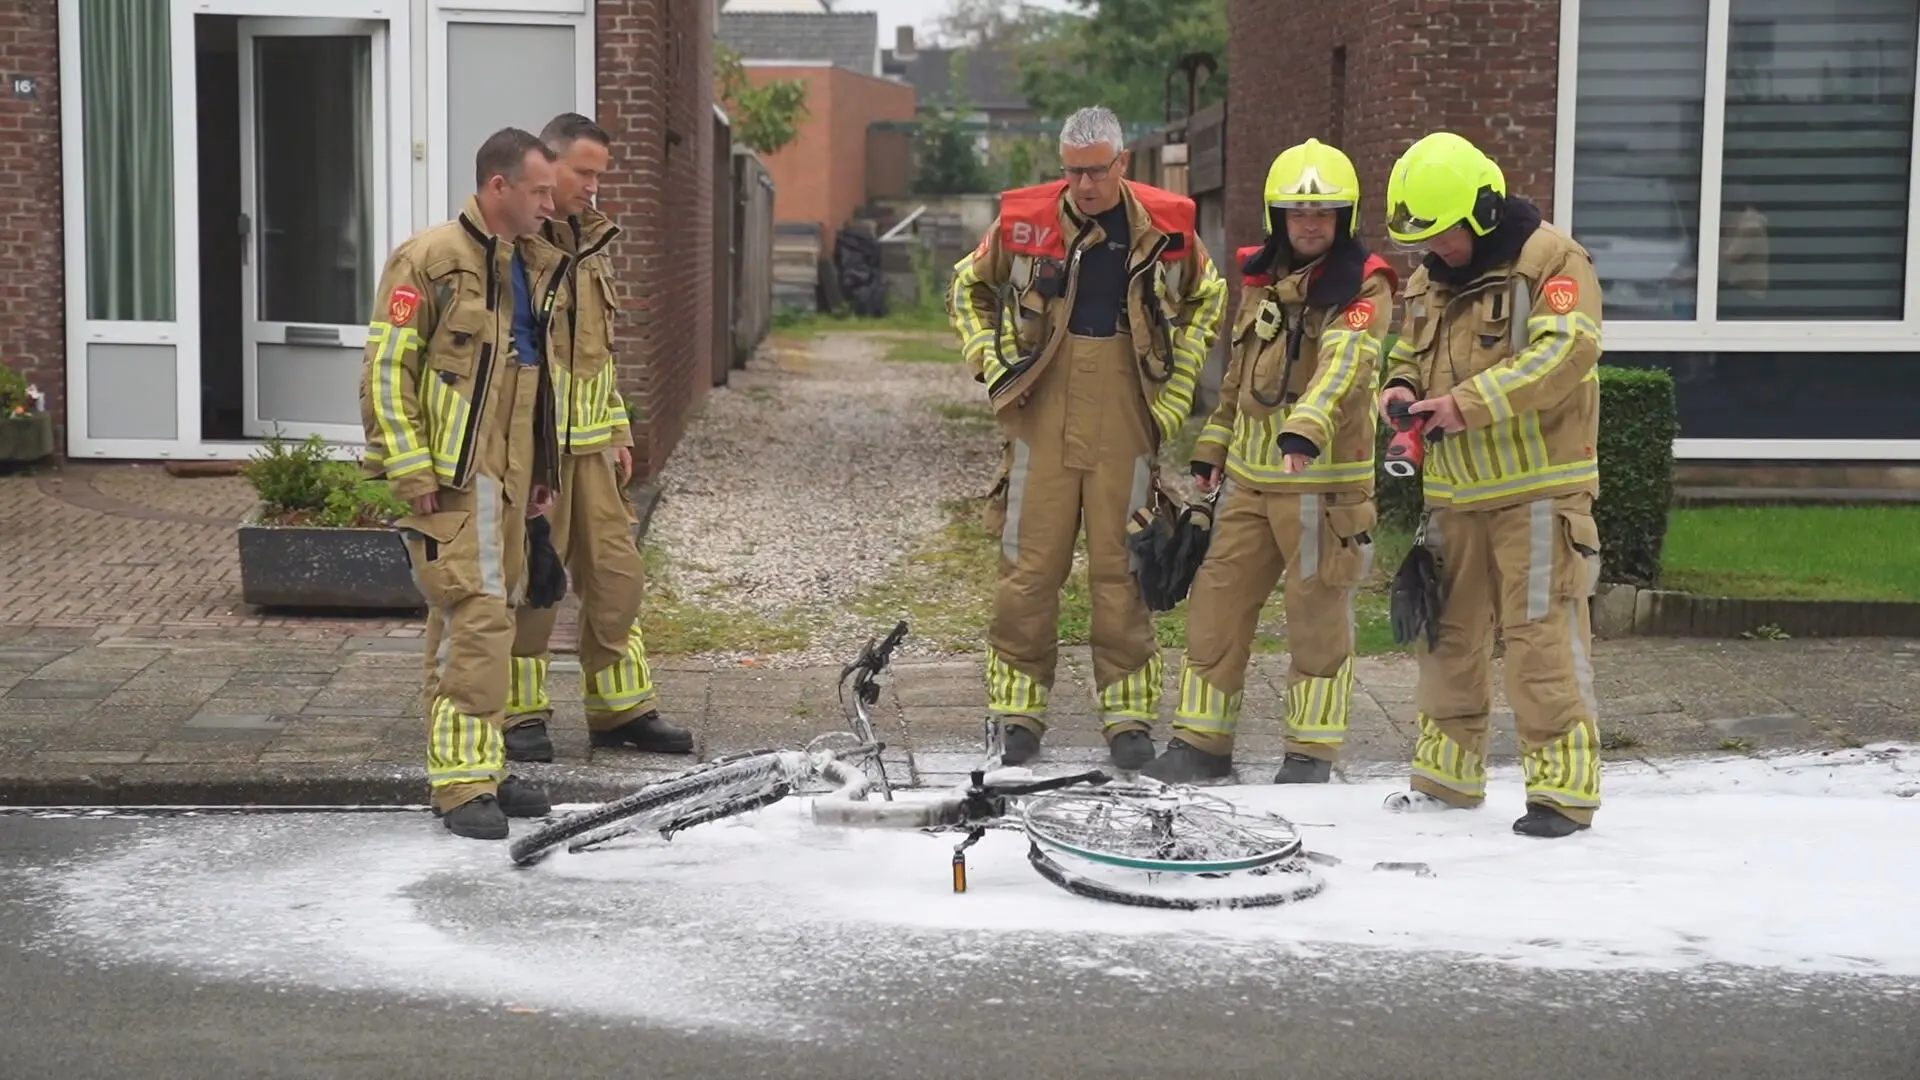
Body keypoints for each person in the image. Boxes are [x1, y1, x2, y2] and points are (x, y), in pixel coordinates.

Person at [948, 105, 1227, 769]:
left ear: (1122, 165)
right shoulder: (1026, 220)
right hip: (1041, 406)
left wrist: (1178, 392)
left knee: (1122, 567)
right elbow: (968, 287)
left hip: (1126, 409)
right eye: (1072, 172)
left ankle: (1128, 719)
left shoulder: (1167, 225)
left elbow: (1208, 299)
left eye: (1096, 172)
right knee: (1028, 568)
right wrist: (991, 364)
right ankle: (1017, 713)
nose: (1083, 186)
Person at [1141, 139, 1396, 785]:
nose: (1311, 225)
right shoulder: (1259, 280)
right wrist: (1213, 446)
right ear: (1276, 217)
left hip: (1324, 486)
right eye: (1297, 213)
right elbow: (1238, 380)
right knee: (1215, 611)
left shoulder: (1366, 285)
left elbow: (1346, 363)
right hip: (1251, 486)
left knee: (1316, 624)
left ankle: (1310, 755)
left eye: (1325, 213)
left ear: (1346, 217)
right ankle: (1201, 744)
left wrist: (1305, 429)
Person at [1377, 131, 1607, 839]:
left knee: (1541, 637)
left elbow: (1567, 351)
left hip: (1538, 493)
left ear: (1479, 210)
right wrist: (1397, 392)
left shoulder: (1551, 261)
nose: (1434, 249)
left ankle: (1561, 796)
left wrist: (1464, 405)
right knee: (1447, 637)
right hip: (1454, 497)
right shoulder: (1429, 278)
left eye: (1442, 233)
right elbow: (1407, 353)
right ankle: (1446, 780)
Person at [358, 127, 568, 840]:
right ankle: (462, 785)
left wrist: (542, 471)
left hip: (508, 480)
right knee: (476, 619)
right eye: (540, 190)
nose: (552, 202)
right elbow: (388, 369)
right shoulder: (430, 260)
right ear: (498, 187)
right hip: (456, 477)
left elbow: (531, 378)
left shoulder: (529, 264)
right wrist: (409, 466)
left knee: (491, 618)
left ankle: (482, 767)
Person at [500, 112, 695, 764]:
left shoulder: (592, 246)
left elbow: (595, 354)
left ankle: (621, 712)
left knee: (617, 580)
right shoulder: (514, 251)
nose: (593, 188)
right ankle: (519, 715)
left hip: (593, 456)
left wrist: (615, 426)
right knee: (534, 586)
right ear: (545, 166)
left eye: (599, 176)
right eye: (584, 172)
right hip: (535, 460)